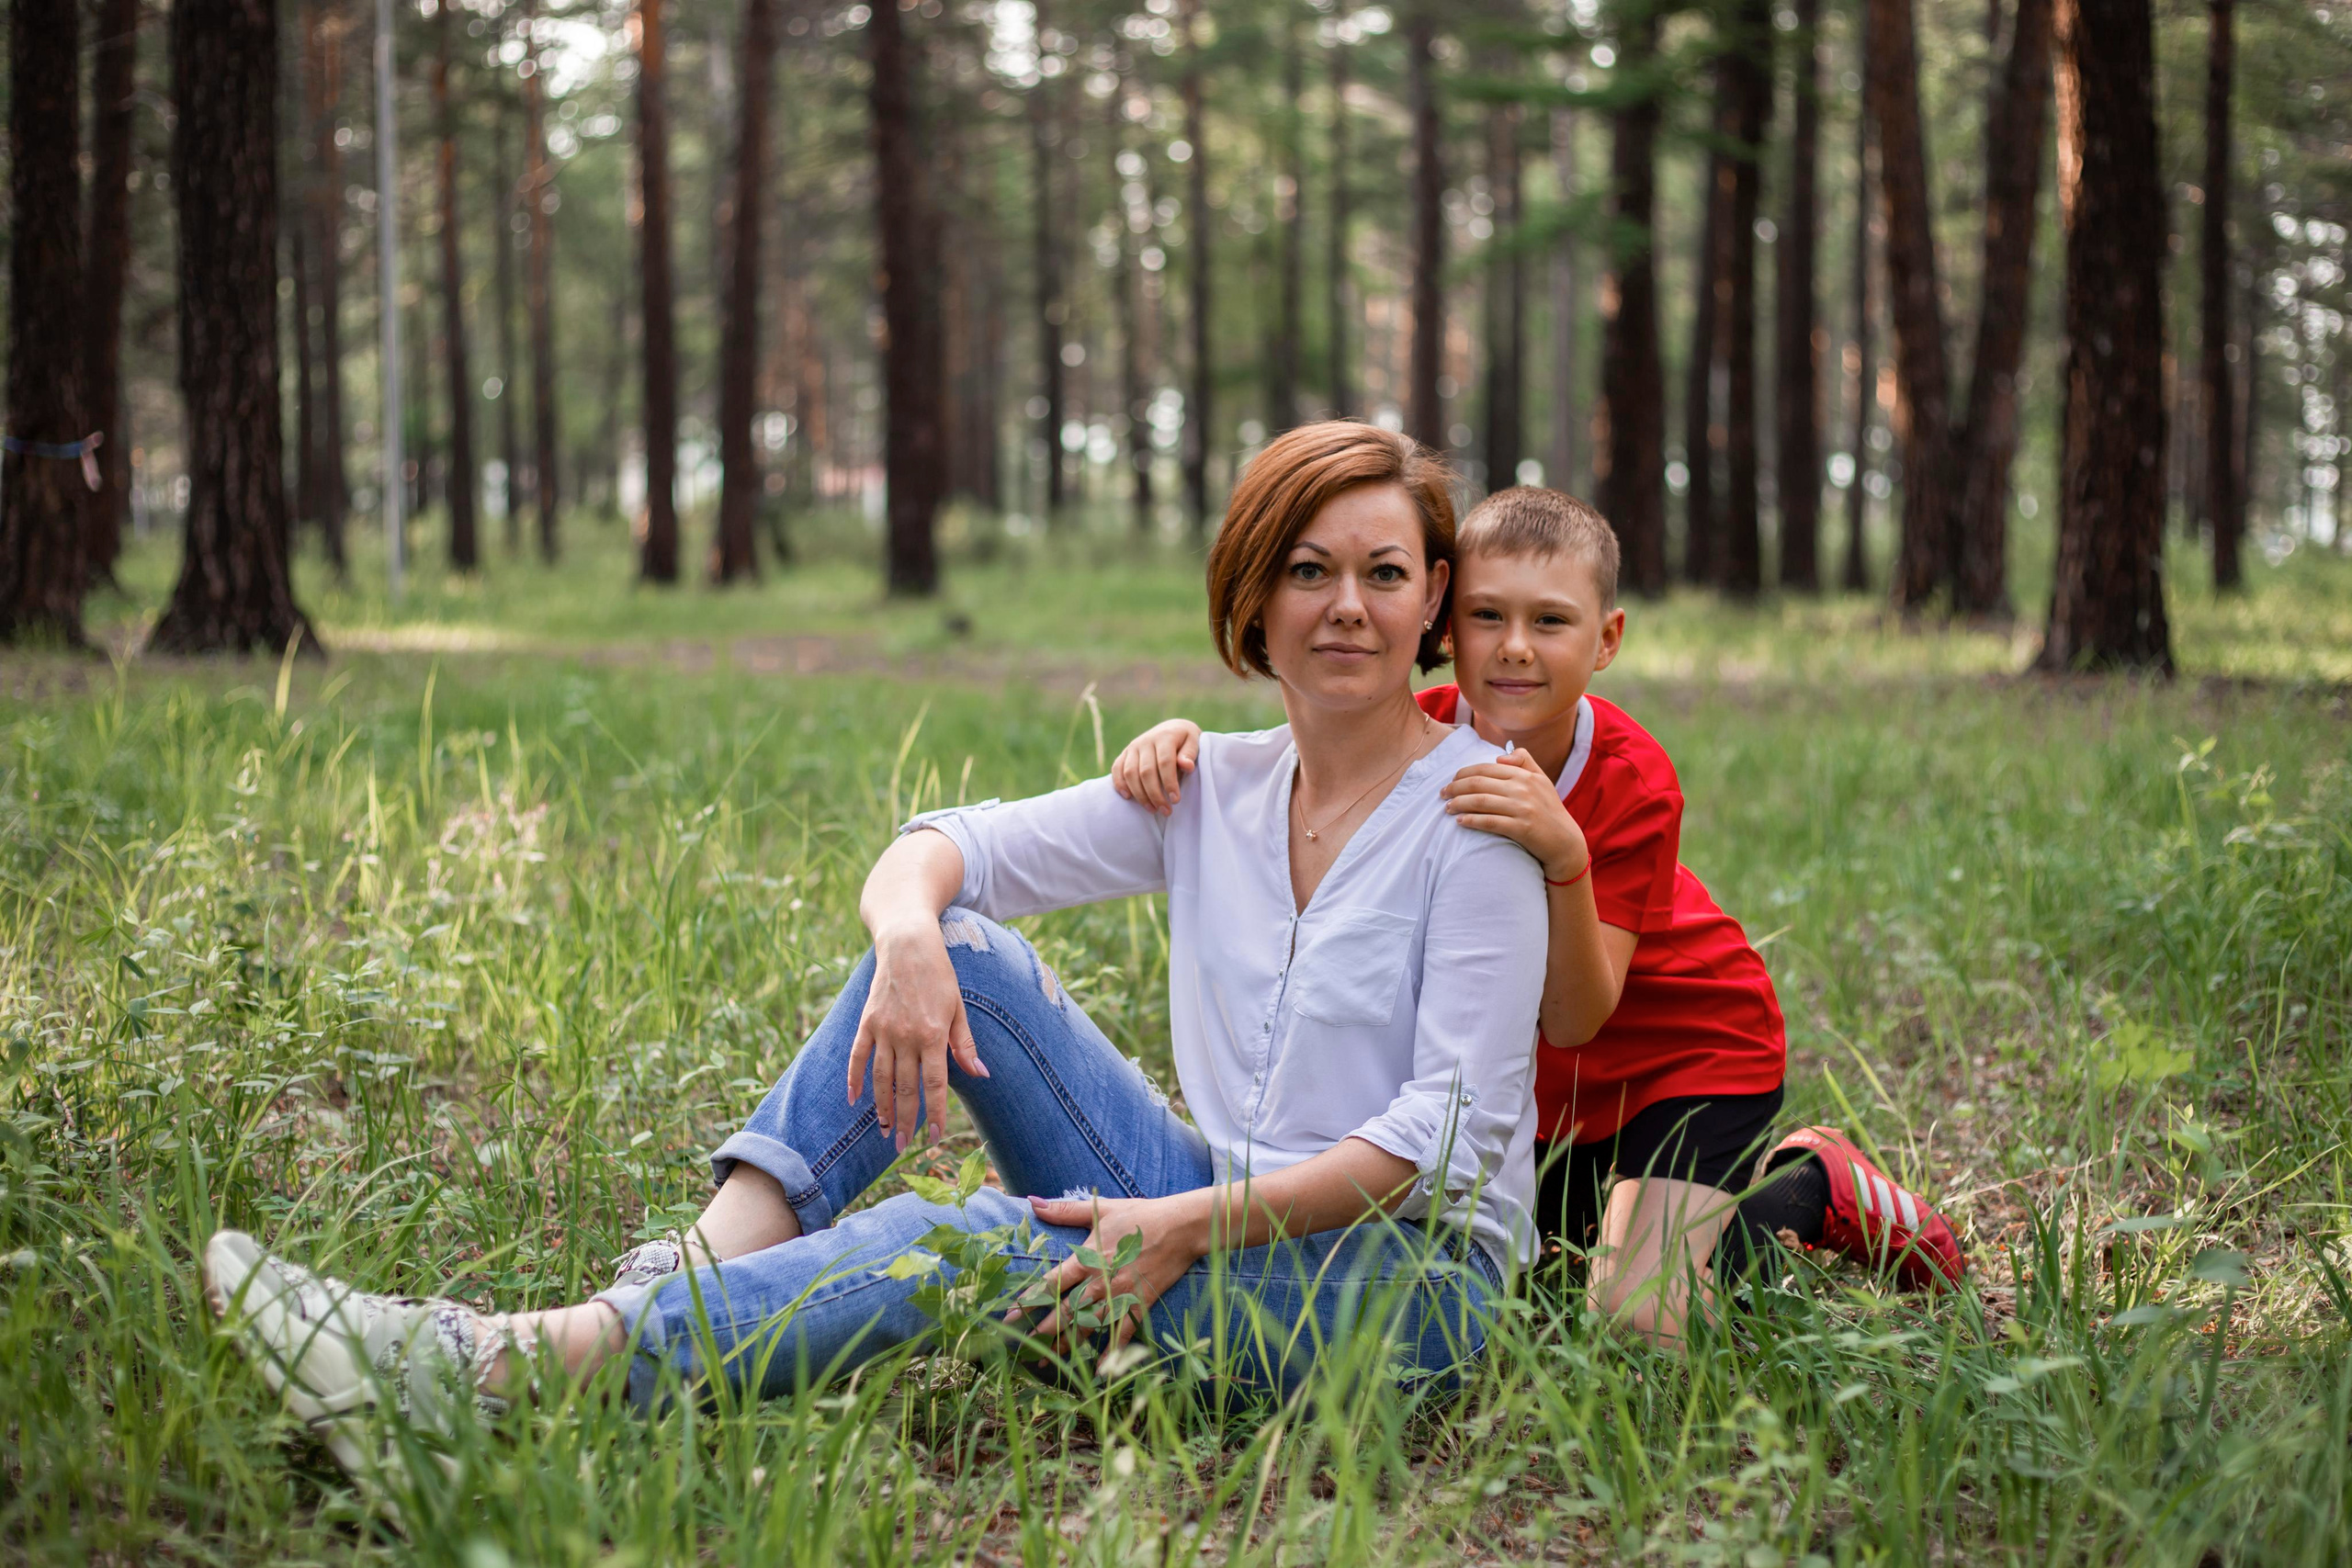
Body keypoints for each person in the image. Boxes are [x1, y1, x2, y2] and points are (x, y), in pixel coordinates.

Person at [203, 423, 1549, 1484]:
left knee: (985, 1237)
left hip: (1406, 1283)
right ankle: (689, 1275)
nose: (1347, 607)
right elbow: (946, 841)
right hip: (1220, 1194)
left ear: (1436, 595)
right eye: (1308, 569)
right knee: (960, 942)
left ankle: (508, 1372)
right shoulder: (1216, 786)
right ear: (1252, 593)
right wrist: (908, 934)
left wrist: (1178, 1224)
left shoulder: (1480, 817)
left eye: (1385, 572)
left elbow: (1444, 1136)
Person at [1112, 487, 1965, 1345]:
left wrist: (1567, 856)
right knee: (1533, 1268)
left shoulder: (1630, 776)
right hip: (1545, 1094)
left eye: (1551, 621)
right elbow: (1295, 764)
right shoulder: (1423, 736)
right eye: (1488, 615)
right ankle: (1651, 1226)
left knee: (1633, 1318)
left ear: (1607, 639)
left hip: (1685, 1059)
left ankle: (1813, 1182)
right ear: (1446, 624)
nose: (1515, 648)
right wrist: (1182, 742)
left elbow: (1576, 1016)